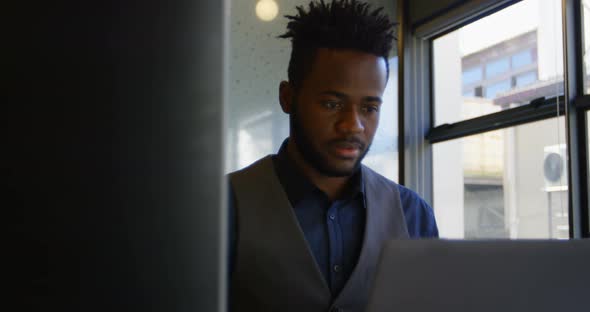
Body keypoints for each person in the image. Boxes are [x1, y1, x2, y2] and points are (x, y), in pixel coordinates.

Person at [227, 1, 438, 311]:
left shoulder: (413, 215)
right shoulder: (219, 207)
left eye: (369, 108)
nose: (353, 125)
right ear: (288, 97)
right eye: (331, 104)